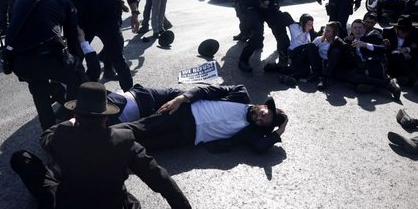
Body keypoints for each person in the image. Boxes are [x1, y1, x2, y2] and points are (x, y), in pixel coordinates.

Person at [10, 82, 191, 209]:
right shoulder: (124, 140)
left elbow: (46, 137)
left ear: (76, 114)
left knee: (22, 159)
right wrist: (180, 205)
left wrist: (70, 122)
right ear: (106, 117)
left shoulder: (62, 135)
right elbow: (156, 174)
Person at [5, 0, 88, 130]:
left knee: (38, 88)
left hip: (18, 60)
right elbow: (73, 39)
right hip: (47, 56)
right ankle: (69, 120)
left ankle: (48, 129)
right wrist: (76, 62)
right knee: (77, 77)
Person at [112, 84, 288, 154]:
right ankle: (97, 137)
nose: (258, 118)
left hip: (188, 138)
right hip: (186, 113)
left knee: (145, 146)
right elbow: (207, 90)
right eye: (263, 114)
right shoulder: (241, 94)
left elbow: (260, 146)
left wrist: (281, 128)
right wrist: (181, 99)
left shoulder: (251, 132)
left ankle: (107, 150)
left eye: (261, 122)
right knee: (141, 128)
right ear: (264, 106)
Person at [237, 0, 290, 73]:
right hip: (251, 8)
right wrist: (260, 3)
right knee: (258, 33)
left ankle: (283, 60)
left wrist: (274, 6)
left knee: (280, 27)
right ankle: (243, 61)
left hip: (266, 8)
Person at [343, 19, 401, 99]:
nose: (357, 30)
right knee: (349, 77)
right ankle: (379, 84)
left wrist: (365, 45)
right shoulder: (351, 40)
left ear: (364, 28)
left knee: (357, 80)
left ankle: (387, 84)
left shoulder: (373, 35)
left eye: (360, 28)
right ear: (352, 30)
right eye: (355, 28)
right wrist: (345, 40)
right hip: (362, 68)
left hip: (375, 66)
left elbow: (383, 48)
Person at [279, 13, 320, 87]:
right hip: (294, 53)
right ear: (302, 23)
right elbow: (285, 15)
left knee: (305, 72)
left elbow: (318, 37)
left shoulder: (310, 31)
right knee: (310, 46)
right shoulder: (294, 27)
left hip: (303, 54)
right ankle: (282, 75)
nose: (310, 26)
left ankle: (315, 72)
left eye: (311, 24)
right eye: (308, 24)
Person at [382, 14, 418, 89]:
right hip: (392, 60)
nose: (406, 34)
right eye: (403, 31)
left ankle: (404, 77)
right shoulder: (387, 33)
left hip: (408, 59)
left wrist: (407, 49)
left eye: (408, 32)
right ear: (396, 28)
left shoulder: (413, 32)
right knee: (396, 54)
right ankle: (413, 79)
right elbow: (385, 51)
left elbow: (415, 45)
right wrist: (400, 52)